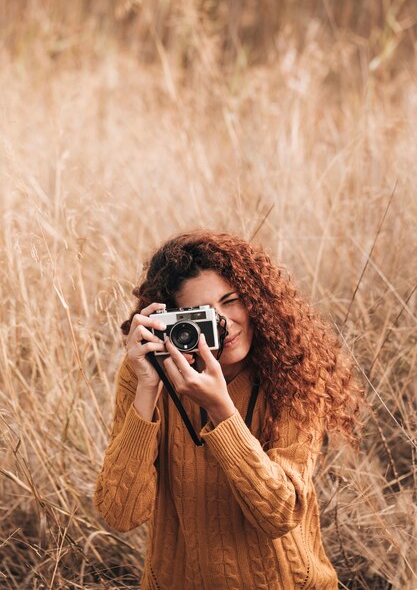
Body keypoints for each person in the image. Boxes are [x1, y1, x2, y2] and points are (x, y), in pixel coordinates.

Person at [93, 231, 362, 590]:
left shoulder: (293, 372)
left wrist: (222, 411)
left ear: (255, 299)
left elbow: (280, 514)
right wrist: (147, 388)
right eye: (202, 313)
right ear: (174, 320)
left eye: (231, 301)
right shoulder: (149, 375)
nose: (224, 323)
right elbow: (121, 513)